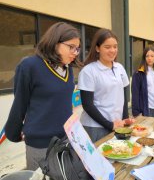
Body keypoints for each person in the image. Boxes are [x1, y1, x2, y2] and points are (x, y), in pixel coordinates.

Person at [4, 22, 82, 170]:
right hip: (41, 144)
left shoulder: (68, 69)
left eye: (77, 49)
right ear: (54, 42)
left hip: (65, 139)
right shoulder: (30, 66)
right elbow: (20, 103)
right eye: (71, 47)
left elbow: (62, 103)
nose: (75, 52)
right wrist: (14, 132)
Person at [78, 29, 132, 142]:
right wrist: (109, 125)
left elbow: (123, 97)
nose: (112, 50)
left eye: (115, 46)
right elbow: (87, 105)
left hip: (116, 125)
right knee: (97, 159)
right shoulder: (88, 71)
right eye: (107, 47)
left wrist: (125, 120)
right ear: (97, 48)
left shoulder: (120, 68)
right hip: (95, 128)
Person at [131, 47, 154, 118]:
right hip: (145, 109)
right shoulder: (138, 73)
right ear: (144, 58)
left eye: (152, 56)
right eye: (147, 56)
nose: (149, 58)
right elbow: (135, 94)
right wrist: (136, 113)